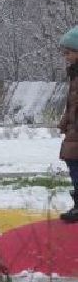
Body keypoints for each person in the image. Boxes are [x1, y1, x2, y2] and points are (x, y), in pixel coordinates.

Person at [58, 26, 78, 224]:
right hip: (73, 129)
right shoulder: (74, 74)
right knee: (72, 162)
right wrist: (65, 121)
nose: (66, 56)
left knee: (74, 163)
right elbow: (71, 102)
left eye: (70, 52)